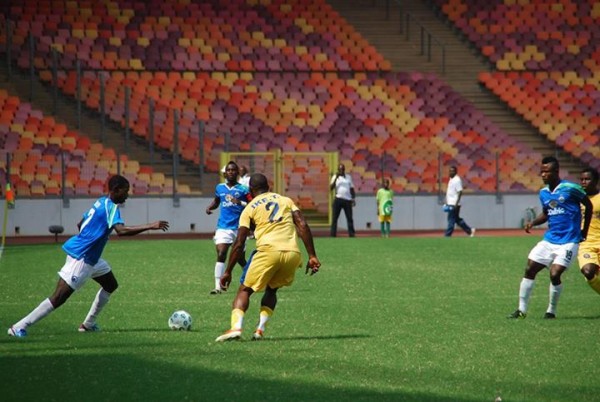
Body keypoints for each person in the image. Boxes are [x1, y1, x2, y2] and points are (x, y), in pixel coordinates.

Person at [7, 175, 169, 337]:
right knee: (58, 298)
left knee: (110, 284)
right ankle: (19, 327)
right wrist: (151, 225)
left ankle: (88, 324)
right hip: (82, 258)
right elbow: (121, 231)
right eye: (125, 191)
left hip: (91, 257)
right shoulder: (111, 207)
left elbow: (80, 223)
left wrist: (90, 237)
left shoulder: (100, 202)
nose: (128, 195)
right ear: (116, 190)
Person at [215, 173, 321, 342]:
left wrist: (228, 271)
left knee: (245, 290)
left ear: (251, 189)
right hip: (292, 254)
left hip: (268, 251)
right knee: (272, 288)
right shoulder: (285, 200)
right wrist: (312, 256)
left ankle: (235, 328)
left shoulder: (249, 208)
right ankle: (260, 329)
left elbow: (239, 242)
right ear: (268, 187)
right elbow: (302, 224)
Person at [508, 156, 592, 319]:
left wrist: (584, 232)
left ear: (556, 172)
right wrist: (533, 223)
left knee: (554, 274)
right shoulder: (544, 193)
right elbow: (547, 213)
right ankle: (521, 310)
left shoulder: (570, 188)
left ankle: (551, 310)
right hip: (549, 240)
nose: (543, 174)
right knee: (530, 268)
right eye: (542, 171)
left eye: (547, 171)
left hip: (569, 241)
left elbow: (588, 205)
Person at [205, 161, 251, 294]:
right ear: (225, 173)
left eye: (233, 170)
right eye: (229, 170)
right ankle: (217, 287)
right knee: (221, 254)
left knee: (240, 259)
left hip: (240, 228)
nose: (231, 172)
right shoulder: (220, 188)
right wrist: (210, 207)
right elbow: (217, 201)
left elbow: (252, 204)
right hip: (223, 227)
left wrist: (239, 202)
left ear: (237, 173)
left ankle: (251, 280)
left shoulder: (243, 189)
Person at [577, 167, 600, 295]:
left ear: (596, 181)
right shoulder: (577, 200)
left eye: (587, 179)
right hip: (586, 244)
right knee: (588, 272)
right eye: (582, 179)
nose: (584, 182)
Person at [444, 165, 475, 237]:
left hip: (454, 203)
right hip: (450, 202)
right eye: (450, 171)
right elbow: (450, 192)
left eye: (452, 171)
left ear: (455, 172)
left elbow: (460, 192)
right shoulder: (451, 179)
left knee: (451, 219)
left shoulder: (457, 180)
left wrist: (456, 203)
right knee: (457, 219)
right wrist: (446, 201)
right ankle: (470, 231)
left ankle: (447, 235)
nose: (450, 172)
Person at [330, 163, 356, 237]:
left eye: (342, 169)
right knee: (334, 218)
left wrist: (353, 198)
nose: (341, 171)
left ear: (344, 170)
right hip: (338, 199)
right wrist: (336, 178)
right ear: (338, 170)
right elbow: (331, 188)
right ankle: (333, 235)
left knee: (349, 218)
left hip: (347, 200)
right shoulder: (335, 177)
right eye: (340, 169)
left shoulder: (348, 177)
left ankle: (352, 234)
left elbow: (352, 188)